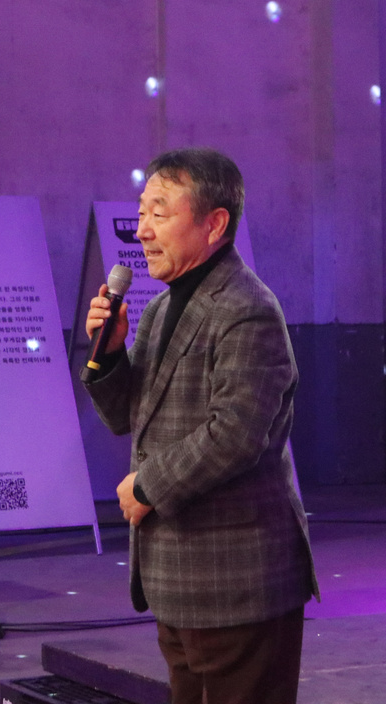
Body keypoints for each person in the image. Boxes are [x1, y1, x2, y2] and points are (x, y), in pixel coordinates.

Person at [82, 147, 319, 704]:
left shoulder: (247, 308)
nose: (142, 230)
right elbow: (127, 417)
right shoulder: (161, 308)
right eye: (141, 212)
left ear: (214, 224)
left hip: (237, 581)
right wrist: (110, 354)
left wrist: (146, 486)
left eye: (160, 213)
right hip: (179, 580)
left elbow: (236, 433)